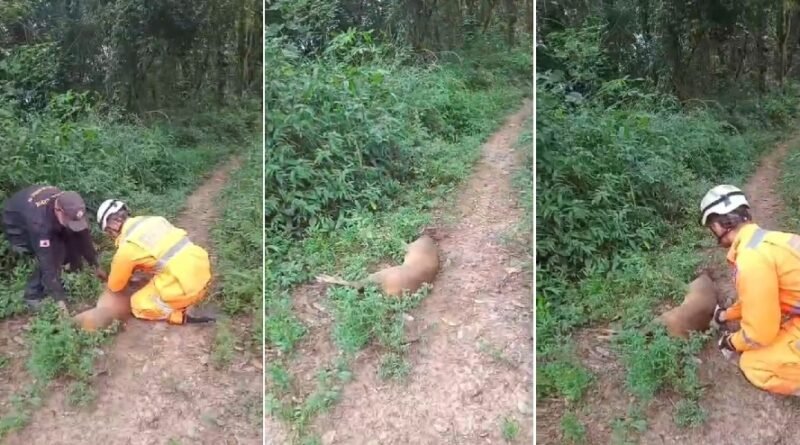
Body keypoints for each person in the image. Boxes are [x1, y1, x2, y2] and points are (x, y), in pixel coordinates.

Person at [703, 184, 800, 395]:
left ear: (719, 225)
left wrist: (730, 342)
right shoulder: (770, 240)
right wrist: (725, 315)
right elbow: (757, 299)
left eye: (712, 227)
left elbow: (760, 334)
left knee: (753, 364)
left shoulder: (751, 259)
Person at [96, 199, 213, 324]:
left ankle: (179, 314)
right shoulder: (155, 220)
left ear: (114, 224)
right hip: (203, 269)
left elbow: (115, 286)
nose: (110, 235)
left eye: (108, 231)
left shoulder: (126, 249)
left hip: (187, 286)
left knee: (138, 304)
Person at [1, 185, 106, 311]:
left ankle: (71, 274)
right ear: (58, 210)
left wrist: (95, 264)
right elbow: (47, 262)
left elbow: (83, 235)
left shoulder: (72, 206)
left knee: (71, 236)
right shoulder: (39, 224)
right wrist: (59, 301)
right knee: (55, 254)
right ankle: (33, 295)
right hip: (15, 224)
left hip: (37, 211)